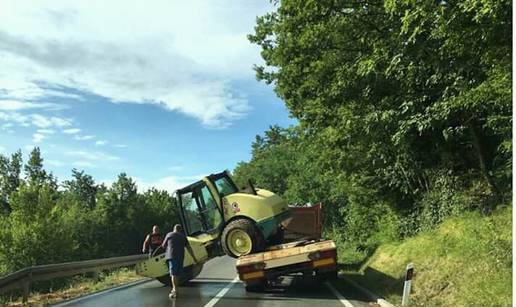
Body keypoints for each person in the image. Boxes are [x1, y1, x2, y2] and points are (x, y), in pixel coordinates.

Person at [161, 224, 198, 299]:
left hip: (171, 256)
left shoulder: (169, 234)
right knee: (177, 274)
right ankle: (175, 289)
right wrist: (194, 258)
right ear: (180, 230)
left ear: (174, 229)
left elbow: (163, 246)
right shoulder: (183, 236)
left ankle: (175, 290)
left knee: (173, 274)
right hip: (180, 257)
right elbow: (189, 248)